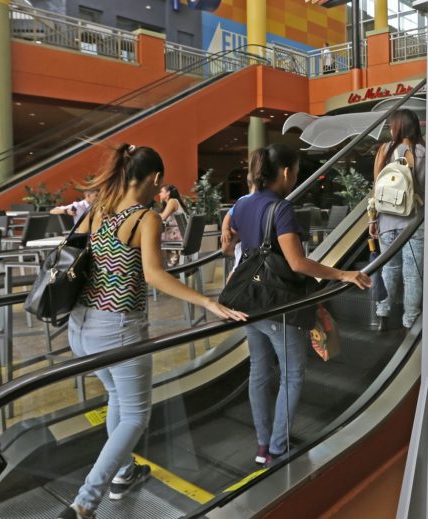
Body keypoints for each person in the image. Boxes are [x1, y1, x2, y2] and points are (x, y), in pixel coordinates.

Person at [58, 143, 247, 519]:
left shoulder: (96, 210)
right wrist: (208, 302)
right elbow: (155, 275)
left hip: (80, 328)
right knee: (135, 416)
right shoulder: (145, 218)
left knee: (116, 397)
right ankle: (83, 504)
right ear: (156, 179)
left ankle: (123, 473)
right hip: (117, 329)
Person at [229, 143, 370, 466]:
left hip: (249, 302)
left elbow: (233, 231)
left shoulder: (243, 204)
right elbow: (297, 263)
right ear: (287, 171)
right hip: (278, 305)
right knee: (292, 374)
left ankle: (263, 444)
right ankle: (278, 447)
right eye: (295, 172)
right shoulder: (281, 209)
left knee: (259, 372)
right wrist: (343, 273)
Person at [370, 108, 426, 329]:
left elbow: (376, 190)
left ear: (396, 127)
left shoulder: (384, 150)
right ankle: (410, 319)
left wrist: (372, 221)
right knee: (413, 274)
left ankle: (382, 313)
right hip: (413, 223)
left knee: (389, 269)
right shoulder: (423, 152)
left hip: (386, 222)